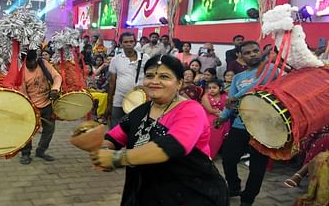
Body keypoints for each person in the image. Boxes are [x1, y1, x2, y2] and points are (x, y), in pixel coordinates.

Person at [91, 54, 229, 206]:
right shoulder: (141, 110)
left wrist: (117, 158)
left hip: (189, 193)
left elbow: (172, 146)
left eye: (164, 76)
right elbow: (114, 137)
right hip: (145, 192)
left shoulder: (191, 111)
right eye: (149, 76)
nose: (155, 82)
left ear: (179, 83)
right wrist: (104, 151)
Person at [215, 40, 278, 206]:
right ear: (240, 56)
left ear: (260, 52)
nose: (253, 54)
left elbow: (258, 85)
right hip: (239, 125)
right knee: (228, 159)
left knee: (257, 168)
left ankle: (247, 199)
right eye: (248, 53)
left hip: (263, 128)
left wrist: (237, 97)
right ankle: (234, 186)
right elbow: (230, 103)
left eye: (255, 51)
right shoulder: (237, 77)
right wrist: (222, 117)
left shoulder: (269, 69)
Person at [20, 49, 62, 165]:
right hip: (31, 106)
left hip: (47, 103)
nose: (32, 64)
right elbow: (22, 92)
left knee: (49, 129)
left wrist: (55, 89)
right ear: (24, 62)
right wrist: (30, 107)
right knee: (27, 131)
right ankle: (25, 153)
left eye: (33, 61)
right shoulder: (21, 72)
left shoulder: (43, 63)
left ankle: (41, 151)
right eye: (28, 62)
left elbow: (57, 77)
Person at [105, 32, 150, 128]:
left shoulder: (144, 58)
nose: (129, 44)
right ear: (121, 44)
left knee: (134, 127)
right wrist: (109, 103)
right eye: (125, 42)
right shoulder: (115, 60)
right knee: (115, 127)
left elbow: (150, 76)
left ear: (135, 43)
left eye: (131, 41)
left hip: (139, 100)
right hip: (119, 99)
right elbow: (112, 83)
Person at [201, 80, 230, 158]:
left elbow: (228, 108)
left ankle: (212, 153)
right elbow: (210, 110)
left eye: (214, 87)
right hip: (208, 116)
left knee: (223, 123)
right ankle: (207, 155)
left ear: (220, 88)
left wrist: (223, 115)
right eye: (209, 88)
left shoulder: (225, 96)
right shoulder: (205, 96)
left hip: (222, 117)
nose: (211, 90)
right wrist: (222, 114)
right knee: (214, 125)